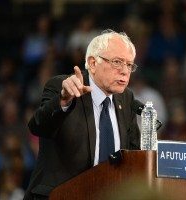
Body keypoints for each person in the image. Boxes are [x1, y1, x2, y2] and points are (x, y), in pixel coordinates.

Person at [24, 30, 140, 199]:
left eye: (129, 65)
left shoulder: (126, 98)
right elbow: (38, 126)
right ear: (93, 63)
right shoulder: (64, 87)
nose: (125, 71)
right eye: (117, 62)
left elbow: (134, 154)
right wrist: (63, 101)